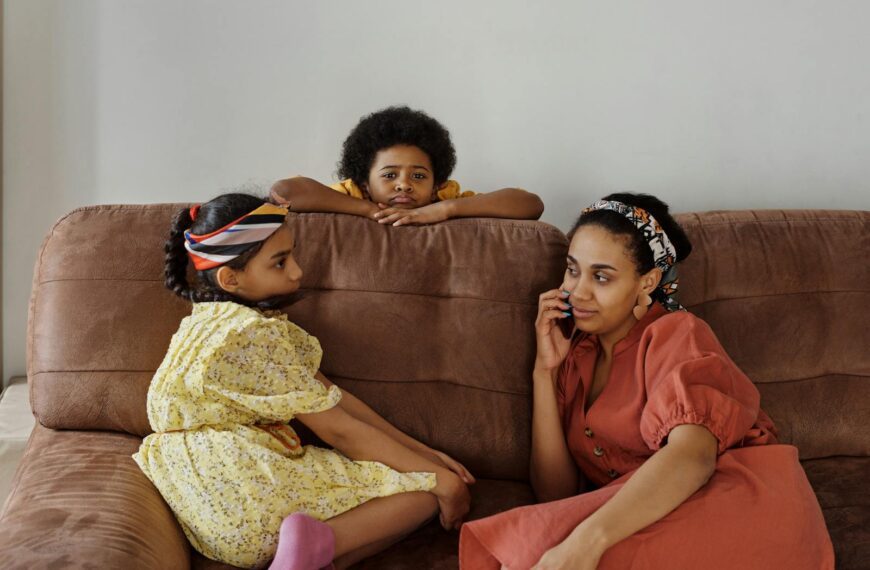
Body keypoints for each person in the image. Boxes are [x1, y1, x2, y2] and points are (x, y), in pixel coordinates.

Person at [458, 193, 834, 569]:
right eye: (572, 270)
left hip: (735, 504)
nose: (577, 291)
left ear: (648, 281)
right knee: (528, 545)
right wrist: (545, 371)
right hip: (652, 513)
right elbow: (554, 494)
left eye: (601, 276)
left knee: (540, 553)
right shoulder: (575, 354)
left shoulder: (675, 334)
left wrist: (585, 542)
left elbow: (693, 456)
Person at [133, 193, 472, 570]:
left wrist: (424, 454)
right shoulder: (252, 334)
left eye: (291, 255)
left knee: (421, 477)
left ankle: (308, 559)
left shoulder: (207, 320)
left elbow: (332, 397)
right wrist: (441, 480)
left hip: (202, 506)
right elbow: (340, 430)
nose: (297, 272)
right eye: (280, 263)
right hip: (248, 488)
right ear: (231, 278)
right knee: (425, 495)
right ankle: (312, 545)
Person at [270, 106, 544, 226]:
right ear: (365, 183)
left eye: (418, 175)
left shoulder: (443, 197)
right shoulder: (354, 194)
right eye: (389, 175)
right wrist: (368, 210)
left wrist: (444, 210)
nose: (404, 183)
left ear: (437, 185)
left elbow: (530, 204)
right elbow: (285, 191)